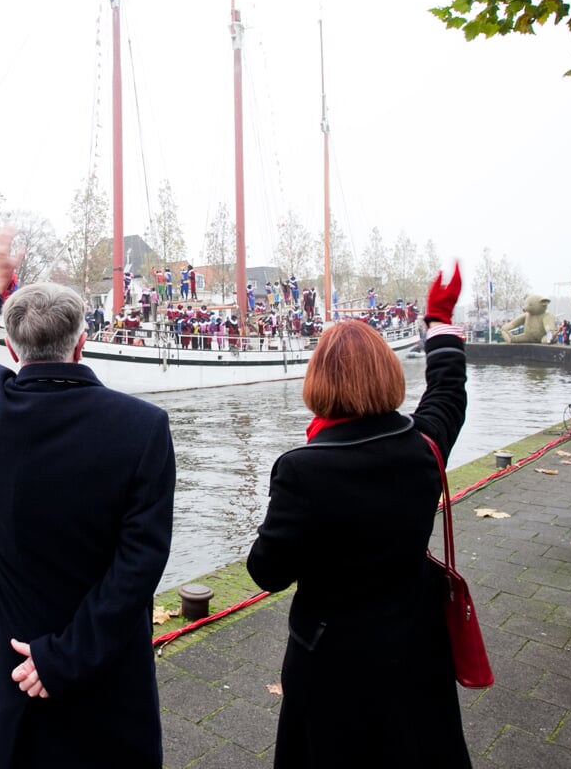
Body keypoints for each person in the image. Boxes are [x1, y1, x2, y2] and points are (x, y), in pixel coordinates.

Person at [0, 226, 176, 769]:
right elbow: (140, 563)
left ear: (12, 350)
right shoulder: (144, 428)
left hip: (6, 661)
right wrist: (66, 656)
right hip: (104, 670)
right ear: (81, 342)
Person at [247, 263, 469, 768]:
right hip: (416, 645)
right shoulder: (425, 447)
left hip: (331, 658)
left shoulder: (302, 470)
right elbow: (448, 393)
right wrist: (438, 321)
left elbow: (267, 572)